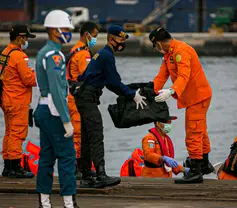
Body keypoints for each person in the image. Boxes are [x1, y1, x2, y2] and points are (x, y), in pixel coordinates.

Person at [75, 25, 147, 189]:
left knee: (87, 137)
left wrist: (127, 92)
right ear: (111, 39)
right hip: (88, 98)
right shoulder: (107, 55)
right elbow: (114, 82)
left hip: (84, 97)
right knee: (96, 135)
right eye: (121, 39)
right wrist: (132, 95)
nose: (122, 43)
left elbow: (106, 82)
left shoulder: (101, 54)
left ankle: (86, 176)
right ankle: (100, 175)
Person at [148, 27, 213, 184]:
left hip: (197, 97)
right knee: (200, 130)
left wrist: (171, 91)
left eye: (155, 46)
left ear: (158, 43)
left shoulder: (181, 51)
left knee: (193, 133)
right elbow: (161, 76)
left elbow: (184, 76)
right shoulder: (169, 54)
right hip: (196, 96)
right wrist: (150, 92)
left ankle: (196, 172)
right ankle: (204, 164)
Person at [34, 10, 78, 208]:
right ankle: (69, 203)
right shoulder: (54, 55)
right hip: (54, 111)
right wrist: (66, 120)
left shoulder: (43, 52)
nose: (68, 33)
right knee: (68, 157)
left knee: (47, 158)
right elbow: (57, 90)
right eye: (66, 29)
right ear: (54, 30)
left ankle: (44, 202)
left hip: (43, 108)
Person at [0, 24, 36, 178]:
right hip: (18, 100)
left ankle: (8, 166)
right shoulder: (19, 55)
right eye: (26, 37)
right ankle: (15, 167)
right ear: (20, 37)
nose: (27, 40)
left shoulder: (5, 52)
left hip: (7, 98)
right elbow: (28, 79)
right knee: (17, 134)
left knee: (9, 133)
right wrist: (39, 75)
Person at [66, 21, 99, 175]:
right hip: (78, 98)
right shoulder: (83, 54)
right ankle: (78, 167)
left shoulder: (74, 50)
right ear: (87, 34)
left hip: (72, 95)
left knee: (77, 132)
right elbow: (87, 76)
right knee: (79, 133)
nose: (95, 39)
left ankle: (79, 165)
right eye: (95, 36)